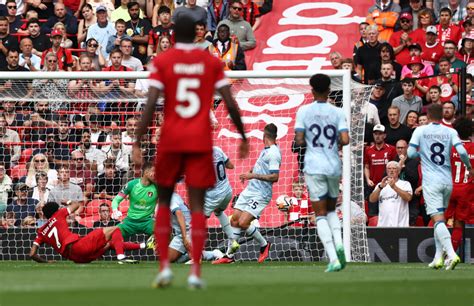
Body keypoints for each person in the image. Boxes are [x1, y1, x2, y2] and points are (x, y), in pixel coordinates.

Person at [132, 15, 248, 289]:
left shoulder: (162, 61)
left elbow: (149, 105)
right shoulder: (210, 62)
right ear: (197, 36)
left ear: (173, 35)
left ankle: (164, 270)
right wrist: (242, 135)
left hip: (171, 140)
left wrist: (137, 141)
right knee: (197, 207)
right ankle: (195, 271)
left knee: (163, 203)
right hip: (199, 142)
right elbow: (229, 101)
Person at [294, 73, 349, 272]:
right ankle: (340, 243)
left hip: (314, 166)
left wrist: (309, 138)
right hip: (333, 165)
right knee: (332, 209)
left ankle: (333, 258)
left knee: (320, 214)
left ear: (312, 90)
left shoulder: (303, 111)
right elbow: (345, 139)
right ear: (328, 91)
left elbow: (299, 139)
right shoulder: (337, 112)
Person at [407, 103, 474, 270]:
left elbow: (410, 154)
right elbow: (463, 153)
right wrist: (469, 168)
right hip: (450, 183)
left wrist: (422, 153)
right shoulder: (450, 132)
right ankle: (438, 257)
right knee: (446, 221)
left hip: (432, 181)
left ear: (428, 116)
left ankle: (451, 254)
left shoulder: (421, 131)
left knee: (438, 220)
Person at [214, 123, 280, 265]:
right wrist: (250, 172)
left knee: (243, 222)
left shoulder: (274, 153)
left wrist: (253, 175)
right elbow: (261, 165)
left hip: (261, 194)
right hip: (250, 190)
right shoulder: (266, 150)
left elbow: (275, 177)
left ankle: (264, 245)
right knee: (234, 220)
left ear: (264, 135)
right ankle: (229, 256)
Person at [29, 201, 140, 264]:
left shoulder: (41, 232)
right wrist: (67, 202)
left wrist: (46, 262)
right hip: (79, 246)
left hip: (76, 258)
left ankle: (142, 245)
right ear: (56, 210)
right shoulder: (59, 214)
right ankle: (121, 256)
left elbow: (32, 254)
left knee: (109, 243)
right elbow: (77, 204)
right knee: (115, 229)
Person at [445, 117, 473, 252]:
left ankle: (440, 250)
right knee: (459, 224)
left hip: (449, 188)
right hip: (466, 190)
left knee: (441, 220)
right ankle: (450, 255)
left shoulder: (450, 147)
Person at [111, 161, 157, 241]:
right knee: (113, 234)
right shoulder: (132, 184)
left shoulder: (158, 187)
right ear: (146, 172)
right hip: (130, 221)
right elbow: (116, 199)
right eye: (154, 171)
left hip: (147, 221)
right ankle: (120, 253)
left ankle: (151, 248)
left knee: (165, 232)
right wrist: (115, 210)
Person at [369, 161, 413, 227]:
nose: (391, 170)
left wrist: (394, 187)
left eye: (394, 168)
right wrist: (380, 187)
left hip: (400, 226)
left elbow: (408, 198)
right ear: (386, 171)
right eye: (389, 169)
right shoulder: (380, 185)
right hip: (383, 226)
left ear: (399, 171)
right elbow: (371, 199)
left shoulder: (405, 184)